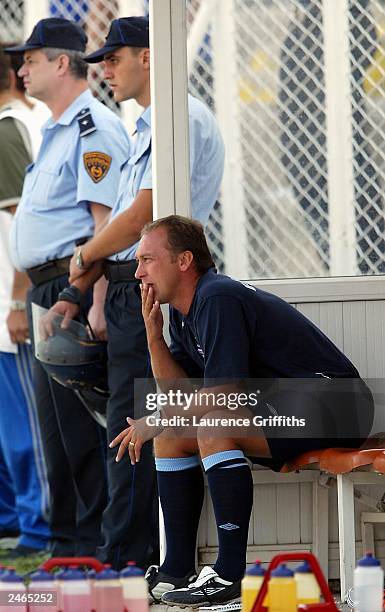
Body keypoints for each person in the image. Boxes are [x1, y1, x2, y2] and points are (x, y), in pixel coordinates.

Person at [110, 214, 374, 606]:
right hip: (287, 405)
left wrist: (156, 417)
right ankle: (175, 569)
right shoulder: (185, 315)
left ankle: (230, 576)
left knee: (214, 425)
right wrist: (153, 336)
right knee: (172, 436)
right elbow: (179, 395)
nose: (138, 273)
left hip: (335, 403)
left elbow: (221, 395)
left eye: (147, 259)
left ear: (184, 261)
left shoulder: (217, 297)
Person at [50, 16, 224, 569]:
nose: (105, 69)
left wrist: (84, 255)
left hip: (155, 285)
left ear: (148, 57)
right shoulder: (149, 124)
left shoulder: (179, 119)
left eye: (114, 58)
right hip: (133, 285)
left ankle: (130, 560)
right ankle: (128, 554)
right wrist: (86, 285)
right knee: (134, 424)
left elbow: (141, 219)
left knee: (140, 426)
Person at [4, 17, 130, 557]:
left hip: (73, 287)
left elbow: (103, 226)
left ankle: (93, 548)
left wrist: (92, 298)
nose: (20, 69)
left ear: (61, 63)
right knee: (56, 434)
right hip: (48, 288)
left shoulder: (91, 128)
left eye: (30, 60)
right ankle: (66, 545)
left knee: (80, 431)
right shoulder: (57, 130)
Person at [0, 44, 50, 556]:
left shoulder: (8, 127)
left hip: (10, 310)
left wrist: (17, 300)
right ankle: (17, 517)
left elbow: (21, 222)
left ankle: (38, 524)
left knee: (23, 429)